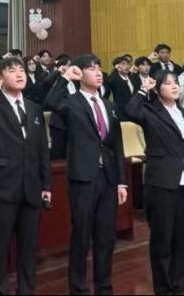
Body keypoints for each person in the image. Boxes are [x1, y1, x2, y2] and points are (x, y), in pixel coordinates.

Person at [0, 57, 51, 296]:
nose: (19, 74)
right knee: (0, 244)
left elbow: (41, 150)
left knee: (29, 246)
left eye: (21, 70)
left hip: (31, 186)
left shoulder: (34, 107)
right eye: (12, 71)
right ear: (0, 77)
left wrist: (46, 184)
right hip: (3, 185)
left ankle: (26, 290)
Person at [46, 55, 128, 296]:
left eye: (99, 68)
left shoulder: (109, 106)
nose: (98, 72)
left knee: (106, 236)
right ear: (80, 74)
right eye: (91, 69)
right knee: (81, 234)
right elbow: (51, 101)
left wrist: (122, 181)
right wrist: (65, 77)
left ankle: (104, 287)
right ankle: (78, 287)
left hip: (109, 177)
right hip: (83, 176)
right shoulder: (72, 102)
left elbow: (117, 146)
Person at [125, 71, 184, 295]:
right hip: (161, 183)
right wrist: (144, 88)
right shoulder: (150, 111)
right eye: (167, 83)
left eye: (176, 83)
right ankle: (164, 289)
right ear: (157, 88)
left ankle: (179, 287)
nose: (174, 86)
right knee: (162, 241)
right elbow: (130, 110)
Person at [106, 55, 138, 122]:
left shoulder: (132, 77)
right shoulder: (115, 79)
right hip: (122, 112)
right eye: (123, 64)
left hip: (135, 110)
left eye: (127, 64)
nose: (126, 66)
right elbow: (110, 80)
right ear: (117, 66)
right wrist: (115, 69)